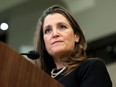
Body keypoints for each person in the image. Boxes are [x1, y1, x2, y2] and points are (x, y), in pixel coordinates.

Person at [33, 5, 112, 87]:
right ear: (43, 42)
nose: (55, 34)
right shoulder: (38, 81)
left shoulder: (92, 67)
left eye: (62, 27)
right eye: (48, 30)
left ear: (76, 37)